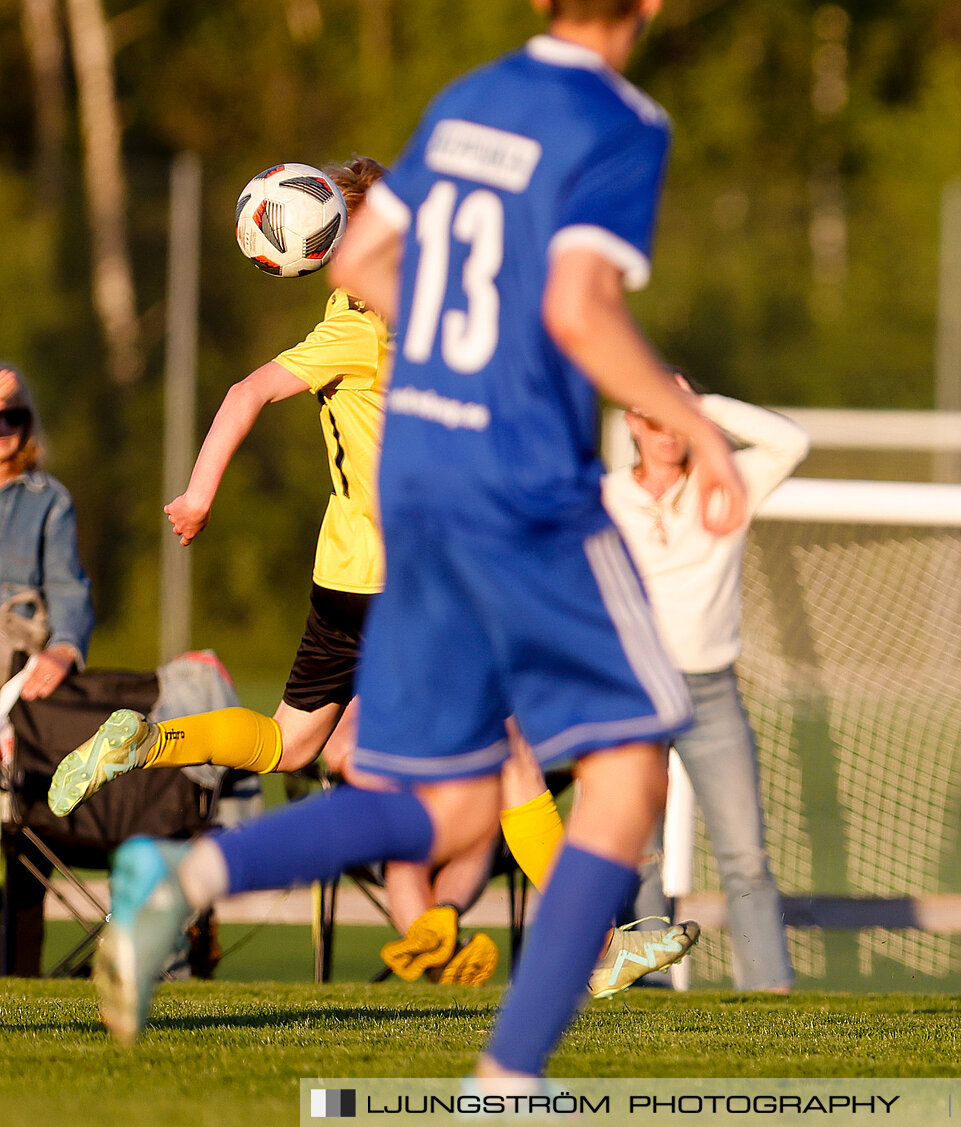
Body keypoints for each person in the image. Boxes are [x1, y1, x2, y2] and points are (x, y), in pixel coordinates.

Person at [93, 0, 747, 1089]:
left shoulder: (466, 102)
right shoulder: (621, 121)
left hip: (421, 493)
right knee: (633, 761)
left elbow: (375, 263)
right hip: (521, 483)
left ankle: (187, 867)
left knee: (446, 797)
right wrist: (693, 427)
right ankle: (510, 1081)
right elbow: (583, 311)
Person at [52, 156, 499, 987]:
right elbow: (246, 390)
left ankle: (146, 741)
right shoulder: (372, 327)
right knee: (492, 749)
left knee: (293, 746)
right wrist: (199, 490)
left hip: (346, 574)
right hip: (417, 578)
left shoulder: (364, 316)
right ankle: (578, 937)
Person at [497, 379, 807, 995]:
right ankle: (643, 988)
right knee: (629, 847)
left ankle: (769, 992)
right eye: (654, 418)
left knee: (745, 855)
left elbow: (790, 442)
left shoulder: (728, 481)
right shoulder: (607, 496)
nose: (667, 432)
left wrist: (700, 407)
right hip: (629, 692)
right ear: (632, 424)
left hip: (711, 692)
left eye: (676, 421)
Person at [0, 365, 93, 700]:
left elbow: (66, 586)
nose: (4, 427)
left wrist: (65, 648)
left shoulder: (50, 500)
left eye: (14, 416)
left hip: (13, 662)